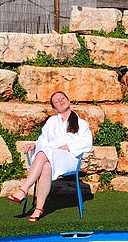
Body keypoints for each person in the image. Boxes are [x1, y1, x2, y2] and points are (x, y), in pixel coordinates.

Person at [8, 91, 93, 222]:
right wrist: (34, 144)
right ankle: (39, 209)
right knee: (46, 166)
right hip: (51, 155)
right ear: (54, 108)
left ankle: (23, 189)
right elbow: (43, 140)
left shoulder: (81, 123)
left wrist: (68, 147)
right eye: (56, 101)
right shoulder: (52, 122)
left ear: (69, 101)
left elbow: (87, 143)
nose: (60, 101)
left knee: (45, 152)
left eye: (62, 98)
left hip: (70, 158)